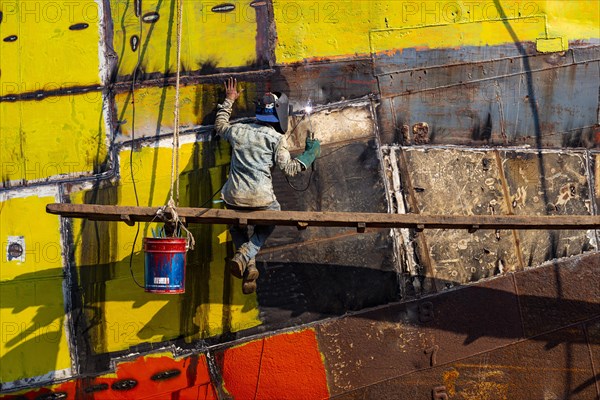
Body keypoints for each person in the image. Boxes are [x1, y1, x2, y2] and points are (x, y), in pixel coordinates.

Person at [215, 78, 320, 294]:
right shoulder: (276, 139)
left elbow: (220, 126)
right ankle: (245, 254)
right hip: (261, 200)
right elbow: (290, 169)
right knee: (274, 215)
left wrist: (229, 100)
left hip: (233, 197)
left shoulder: (239, 130)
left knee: (236, 223)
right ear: (278, 114)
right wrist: (310, 154)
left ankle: (249, 267)